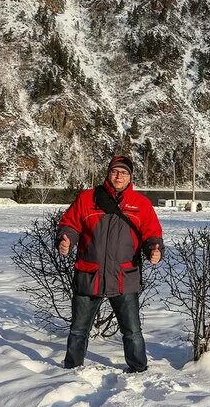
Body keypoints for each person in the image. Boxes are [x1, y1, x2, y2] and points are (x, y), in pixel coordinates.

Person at [57, 155, 163, 372]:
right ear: (108, 173)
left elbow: (152, 233)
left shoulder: (141, 204)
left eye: (124, 172)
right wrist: (65, 239)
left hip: (124, 276)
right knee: (78, 330)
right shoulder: (87, 198)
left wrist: (155, 249)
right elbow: (70, 224)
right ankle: (71, 370)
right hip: (89, 273)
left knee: (132, 331)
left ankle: (139, 370)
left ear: (130, 177)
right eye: (115, 171)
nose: (119, 176)